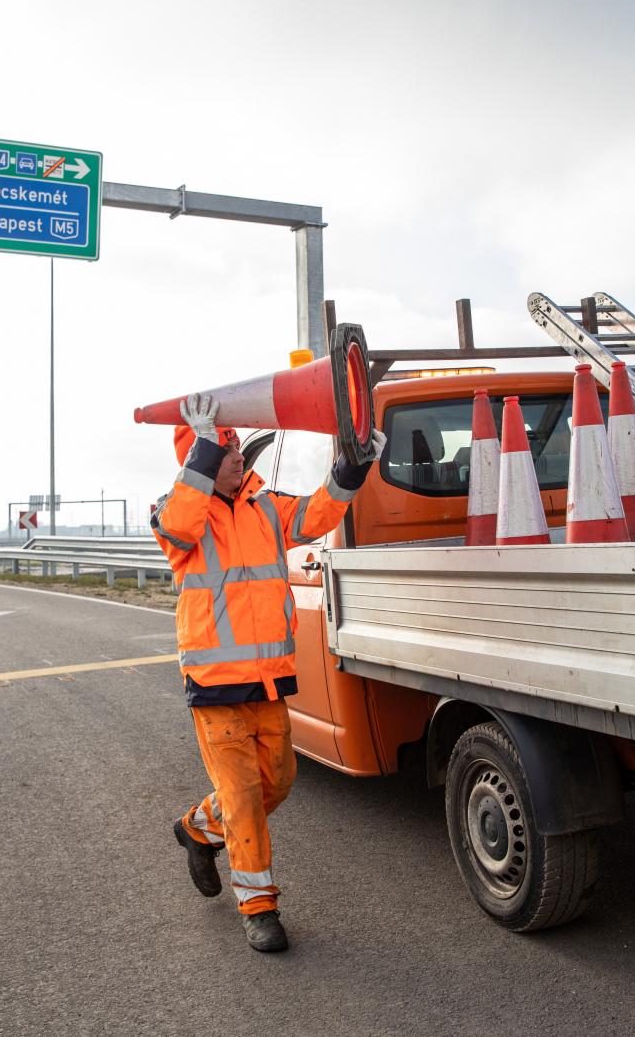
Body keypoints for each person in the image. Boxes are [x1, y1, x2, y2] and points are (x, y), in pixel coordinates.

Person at [151, 392, 385, 952]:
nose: (236, 455)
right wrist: (203, 448)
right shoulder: (177, 513)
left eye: (233, 445)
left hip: (269, 682)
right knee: (243, 797)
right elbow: (180, 525)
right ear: (199, 455)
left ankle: (197, 829)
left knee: (275, 782)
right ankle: (259, 907)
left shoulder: (265, 508)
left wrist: (353, 466)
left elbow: (318, 513)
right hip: (215, 690)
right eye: (224, 446)